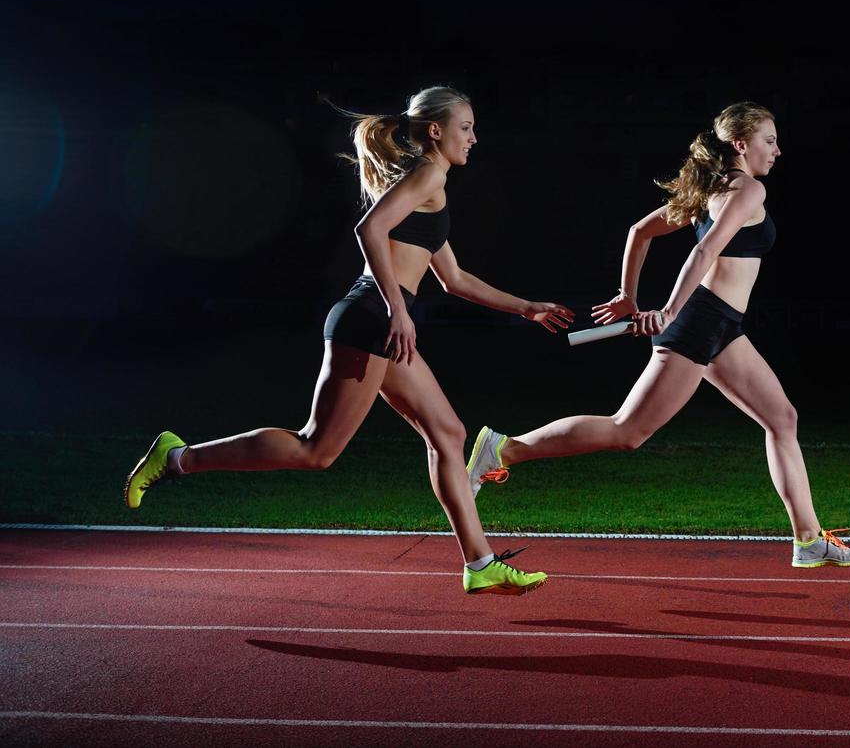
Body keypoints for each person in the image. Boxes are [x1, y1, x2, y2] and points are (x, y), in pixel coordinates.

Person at [123, 85, 574, 595]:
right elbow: (369, 229)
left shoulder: (434, 185)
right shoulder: (426, 173)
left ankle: (480, 563)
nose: (473, 138)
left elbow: (454, 279)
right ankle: (178, 457)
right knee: (317, 450)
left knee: (448, 433)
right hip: (370, 318)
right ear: (435, 130)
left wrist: (525, 307)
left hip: (377, 320)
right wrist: (398, 308)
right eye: (465, 128)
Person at [467, 101, 850, 568]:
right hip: (698, 322)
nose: (777, 150)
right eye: (769, 140)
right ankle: (503, 449)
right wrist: (665, 310)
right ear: (740, 144)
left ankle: (807, 539)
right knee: (628, 431)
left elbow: (640, 232)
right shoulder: (747, 191)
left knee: (782, 418)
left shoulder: (713, 189)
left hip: (721, 326)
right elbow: (702, 253)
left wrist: (627, 297)